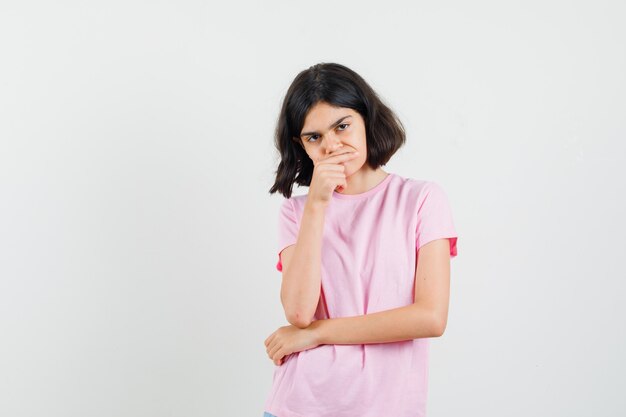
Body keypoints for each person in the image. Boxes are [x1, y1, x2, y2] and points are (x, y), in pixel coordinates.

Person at [263, 62, 459, 417]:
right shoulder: (296, 213)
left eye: (342, 126)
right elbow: (297, 312)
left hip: (386, 407)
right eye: (314, 137)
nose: (332, 145)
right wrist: (318, 204)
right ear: (301, 145)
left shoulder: (421, 200)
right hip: (300, 404)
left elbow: (430, 317)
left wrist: (317, 334)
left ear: (366, 118)